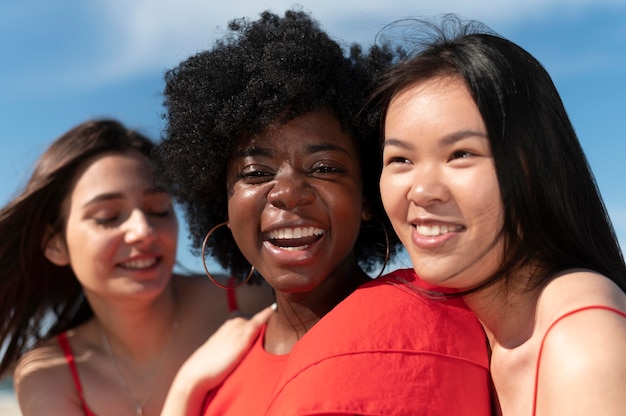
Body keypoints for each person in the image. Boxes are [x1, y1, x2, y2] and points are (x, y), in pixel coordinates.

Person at [156, 9, 493, 415]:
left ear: (368, 195)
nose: (288, 194)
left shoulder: (429, 324)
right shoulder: (218, 377)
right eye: (256, 172)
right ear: (221, 202)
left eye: (325, 168)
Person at [375, 15, 626, 416]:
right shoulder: (482, 333)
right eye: (400, 159)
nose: (421, 191)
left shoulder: (583, 345)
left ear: (535, 167)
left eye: (461, 155)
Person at [0, 119, 275, 415]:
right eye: (108, 216)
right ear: (55, 244)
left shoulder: (254, 301)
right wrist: (188, 386)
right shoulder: (49, 373)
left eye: (159, 210)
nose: (143, 230)